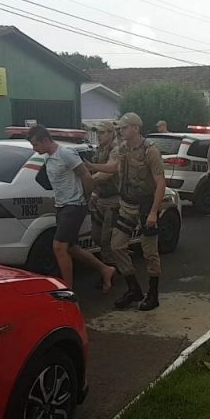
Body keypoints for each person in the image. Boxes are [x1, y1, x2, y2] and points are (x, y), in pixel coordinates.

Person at [86, 113, 167, 311]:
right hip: (127, 205)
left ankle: (153, 294)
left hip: (146, 205)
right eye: (119, 128)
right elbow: (114, 168)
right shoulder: (122, 148)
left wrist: (153, 212)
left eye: (123, 128)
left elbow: (160, 182)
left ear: (135, 129)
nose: (120, 131)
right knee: (117, 245)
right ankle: (134, 289)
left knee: (149, 252)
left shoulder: (150, 151)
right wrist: (92, 167)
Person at [27, 125, 116, 291]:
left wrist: (86, 198)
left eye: (36, 145)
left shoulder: (66, 154)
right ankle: (105, 269)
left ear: (45, 140)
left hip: (75, 205)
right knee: (71, 248)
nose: (34, 148)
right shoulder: (48, 157)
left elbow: (85, 175)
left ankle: (68, 289)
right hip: (61, 206)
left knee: (59, 246)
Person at [88, 121, 121, 292]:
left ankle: (110, 274)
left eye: (101, 132)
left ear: (110, 133)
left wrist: (89, 179)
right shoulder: (99, 149)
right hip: (100, 198)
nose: (99, 136)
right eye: (97, 133)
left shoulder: (115, 149)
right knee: (97, 236)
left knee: (106, 239)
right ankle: (114, 265)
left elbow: (110, 170)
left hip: (113, 200)